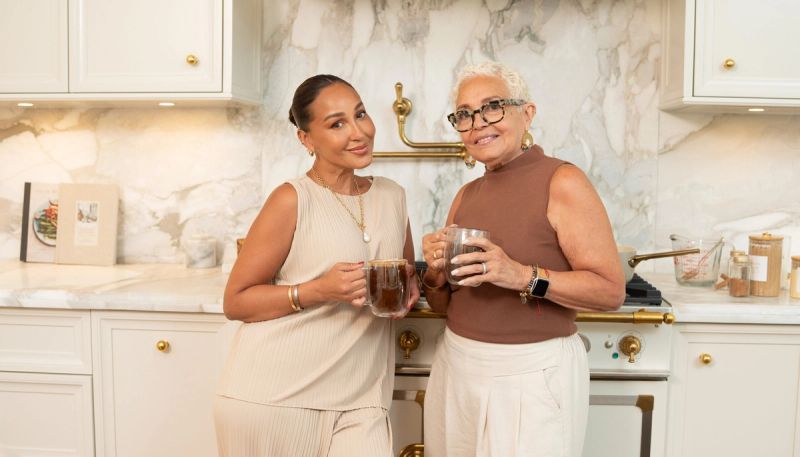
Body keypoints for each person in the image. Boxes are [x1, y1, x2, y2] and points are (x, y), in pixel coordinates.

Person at [420, 62, 625, 457]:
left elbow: (610, 291)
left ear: (526, 113)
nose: (478, 123)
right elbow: (446, 305)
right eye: (464, 114)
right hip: (457, 366)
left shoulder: (562, 181)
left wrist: (520, 275)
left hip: (533, 373)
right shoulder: (466, 195)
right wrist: (435, 273)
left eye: (492, 107)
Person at [214, 74, 419, 457]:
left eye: (360, 115)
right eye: (337, 123)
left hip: (362, 401)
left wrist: (412, 287)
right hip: (274, 399)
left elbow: (404, 275)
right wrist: (318, 290)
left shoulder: (393, 196)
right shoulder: (291, 199)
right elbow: (236, 301)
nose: (358, 132)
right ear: (306, 139)